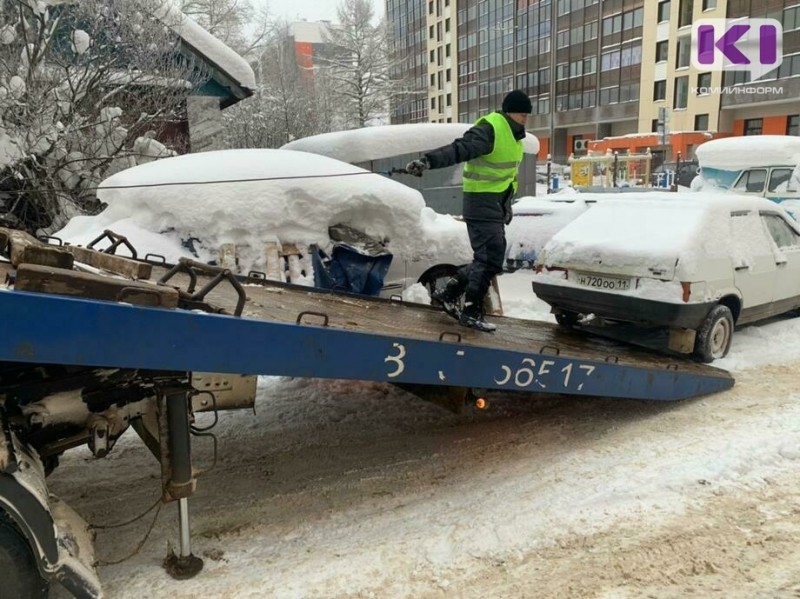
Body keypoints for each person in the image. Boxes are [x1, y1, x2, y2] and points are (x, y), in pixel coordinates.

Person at [405, 89, 532, 332]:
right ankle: (471, 310)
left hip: (494, 205)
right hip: (480, 202)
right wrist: (428, 161)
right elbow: (460, 148)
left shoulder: (514, 136)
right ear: (508, 112)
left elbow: (506, 176)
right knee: (490, 258)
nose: (525, 118)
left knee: (490, 260)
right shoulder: (491, 129)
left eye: (527, 114)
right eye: (521, 113)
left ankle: (449, 293)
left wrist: (505, 207)